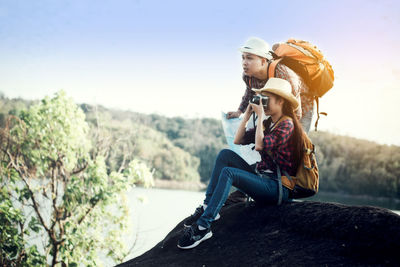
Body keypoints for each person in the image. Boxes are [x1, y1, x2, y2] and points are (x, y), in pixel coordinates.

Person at [178, 78, 305, 249]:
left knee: (229, 173)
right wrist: (246, 115)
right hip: (262, 179)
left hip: (277, 187)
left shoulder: (287, 124)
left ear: (281, 101)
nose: (263, 104)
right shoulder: (268, 123)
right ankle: (208, 206)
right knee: (225, 155)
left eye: (266, 99)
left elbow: (260, 145)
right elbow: (238, 140)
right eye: (261, 99)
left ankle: (203, 227)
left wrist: (259, 117)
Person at [226, 37, 314, 133]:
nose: (244, 63)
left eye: (249, 58)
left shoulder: (284, 74)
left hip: (302, 106)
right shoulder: (248, 76)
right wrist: (239, 111)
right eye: (243, 58)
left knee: (295, 142)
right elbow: (250, 92)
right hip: (275, 106)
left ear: (263, 61)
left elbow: (296, 111)